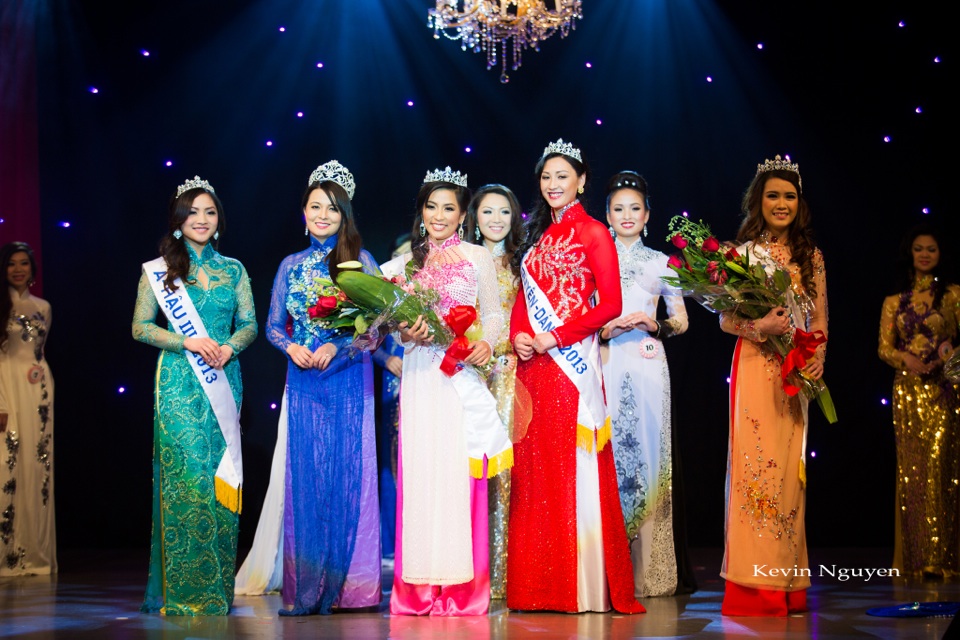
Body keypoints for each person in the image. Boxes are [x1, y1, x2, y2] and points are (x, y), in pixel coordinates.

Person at [235, 161, 381, 615]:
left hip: (347, 380)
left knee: (348, 475)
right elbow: (273, 325)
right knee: (309, 478)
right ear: (303, 211)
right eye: (315, 207)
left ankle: (351, 588)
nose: (322, 215)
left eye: (332, 209)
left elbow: (375, 329)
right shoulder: (289, 265)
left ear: (345, 216)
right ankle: (308, 587)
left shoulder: (361, 261)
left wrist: (340, 348)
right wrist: (292, 347)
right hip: (303, 381)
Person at [508, 140, 644, 614]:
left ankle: (578, 586)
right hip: (534, 369)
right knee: (535, 475)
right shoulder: (538, 236)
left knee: (573, 466)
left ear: (581, 181)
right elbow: (522, 301)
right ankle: (536, 586)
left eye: (562, 176)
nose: (553, 185)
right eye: (546, 177)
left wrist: (553, 337)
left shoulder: (593, 233)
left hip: (570, 367)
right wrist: (520, 334)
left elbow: (610, 306)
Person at [381, 167, 513, 616]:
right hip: (420, 378)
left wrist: (484, 342)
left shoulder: (478, 258)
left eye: (449, 208)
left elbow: (495, 316)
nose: (439, 216)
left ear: (462, 215)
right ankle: (416, 591)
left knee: (458, 474)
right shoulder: (401, 265)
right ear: (421, 211)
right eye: (431, 206)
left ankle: (461, 591)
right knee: (420, 475)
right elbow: (382, 333)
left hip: (459, 376)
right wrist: (404, 331)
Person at [134, 177, 257, 615]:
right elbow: (140, 327)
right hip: (177, 384)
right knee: (186, 479)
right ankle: (185, 595)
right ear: (178, 221)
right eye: (192, 213)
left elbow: (249, 324)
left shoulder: (235, 270)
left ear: (219, 219)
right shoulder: (159, 270)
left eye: (209, 212)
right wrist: (185, 342)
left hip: (225, 376)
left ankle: (216, 589)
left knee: (220, 479)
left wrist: (229, 347)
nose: (201, 220)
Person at [718, 155, 827, 616]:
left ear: (798, 202)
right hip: (755, 369)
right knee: (754, 469)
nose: (781, 204)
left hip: (796, 375)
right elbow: (725, 319)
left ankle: (786, 582)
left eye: (789, 196)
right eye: (773, 196)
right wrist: (759, 325)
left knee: (787, 476)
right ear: (758, 201)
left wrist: (818, 358)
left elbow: (820, 318)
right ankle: (753, 588)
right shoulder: (739, 256)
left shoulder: (811, 256)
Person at [598, 172, 693, 598]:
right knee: (609, 455)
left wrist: (654, 323)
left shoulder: (662, 262)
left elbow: (681, 321)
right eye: (618, 209)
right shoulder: (594, 259)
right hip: (604, 364)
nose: (627, 215)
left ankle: (650, 573)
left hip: (649, 365)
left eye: (635, 208)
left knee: (651, 461)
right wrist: (603, 331)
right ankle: (608, 570)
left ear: (648, 215)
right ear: (607, 216)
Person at [878, 224, 959, 578]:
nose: (925, 254)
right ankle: (914, 561)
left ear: (940, 255)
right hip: (907, 390)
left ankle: (941, 560)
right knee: (912, 473)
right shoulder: (894, 301)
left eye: (932, 249)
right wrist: (904, 359)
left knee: (941, 470)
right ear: (909, 253)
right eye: (918, 248)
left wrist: (948, 355)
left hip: (943, 389)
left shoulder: (954, 295)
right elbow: (883, 346)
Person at [464, 183, 524, 599]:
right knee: (471, 469)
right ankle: (471, 570)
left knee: (507, 472)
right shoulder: (462, 262)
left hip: (512, 377)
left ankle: (506, 574)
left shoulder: (525, 264)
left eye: (504, 212)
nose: (496, 220)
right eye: (488, 212)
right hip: (468, 373)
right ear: (474, 218)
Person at [0, 242, 55, 576]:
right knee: (7, 463)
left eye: (24, 263)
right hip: (6, 387)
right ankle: (8, 555)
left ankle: (35, 555)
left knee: (37, 467)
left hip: (38, 390)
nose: (18, 269)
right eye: (11, 264)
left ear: (32, 269)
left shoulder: (43, 306)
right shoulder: (1, 305)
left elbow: (38, 353)